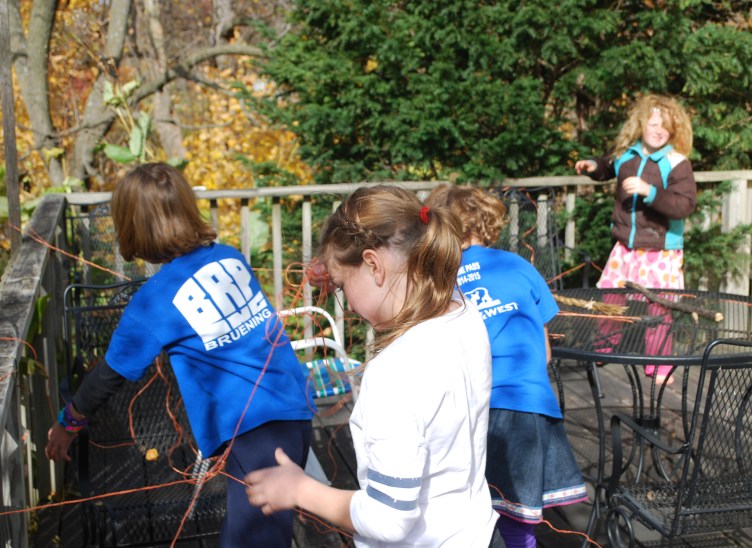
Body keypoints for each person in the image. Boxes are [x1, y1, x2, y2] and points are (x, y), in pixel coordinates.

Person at [45, 162, 314, 548]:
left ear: (132, 225)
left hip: (253, 432)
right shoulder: (229, 256)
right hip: (293, 409)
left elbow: (109, 375)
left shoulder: (153, 301)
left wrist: (67, 424)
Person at [244, 185, 501, 547]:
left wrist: (300, 489)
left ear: (373, 265)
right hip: (479, 534)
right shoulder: (463, 314)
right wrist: (337, 267)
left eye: (341, 287)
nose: (346, 305)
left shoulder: (395, 373)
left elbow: (387, 519)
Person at [425, 184, 588, 548]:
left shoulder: (440, 280)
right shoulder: (518, 265)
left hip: (473, 407)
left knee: (478, 508)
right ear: (484, 224)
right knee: (518, 513)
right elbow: (544, 351)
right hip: (531, 405)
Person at [574, 94, 696, 384]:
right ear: (642, 123)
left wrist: (649, 191)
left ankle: (659, 365)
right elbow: (609, 165)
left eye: (664, 126)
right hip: (625, 247)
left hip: (660, 249)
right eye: (652, 123)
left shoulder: (676, 163)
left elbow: (684, 205)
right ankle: (604, 348)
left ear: (673, 130)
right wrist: (594, 166)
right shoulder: (628, 155)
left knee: (659, 308)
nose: (657, 130)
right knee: (610, 298)